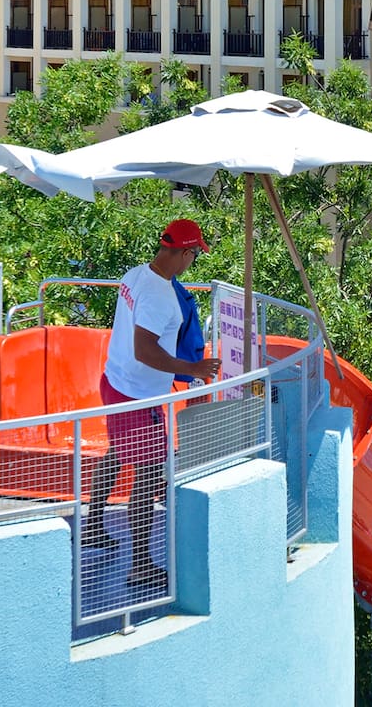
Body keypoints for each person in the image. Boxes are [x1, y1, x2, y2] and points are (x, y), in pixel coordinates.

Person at [79, 219, 221, 590]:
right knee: (146, 477)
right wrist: (192, 368)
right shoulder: (162, 298)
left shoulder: (135, 275)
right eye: (194, 254)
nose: (193, 262)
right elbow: (145, 350)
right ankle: (140, 565)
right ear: (185, 253)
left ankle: (94, 526)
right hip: (139, 397)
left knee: (116, 452)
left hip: (114, 382)